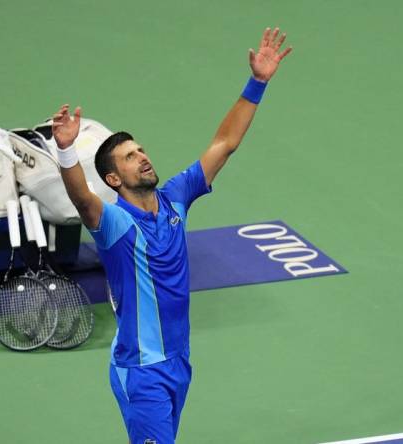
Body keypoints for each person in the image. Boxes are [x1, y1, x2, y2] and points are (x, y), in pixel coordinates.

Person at [51, 27, 292, 444]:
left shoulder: (176, 197)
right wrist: (66, 151)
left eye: (141, 149)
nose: (142, 156)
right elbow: (79, 196)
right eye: (130, 157)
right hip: (142, 373)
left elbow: (224, 143)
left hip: (179, 363)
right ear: (113, 178)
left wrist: (258, 82)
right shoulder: (113, 225)